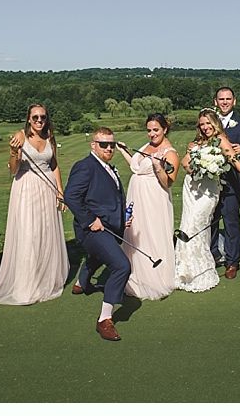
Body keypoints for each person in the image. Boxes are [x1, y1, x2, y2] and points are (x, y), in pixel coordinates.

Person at [0, 104, 70, 305]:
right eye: (35, 117)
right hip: (26, 189)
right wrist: (12, 152)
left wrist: (60, 192)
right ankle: (26, 286)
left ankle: (45, 281)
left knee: (46, 234)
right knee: (29, 235)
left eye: (42, 117)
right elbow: (13, 169)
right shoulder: (20, 137)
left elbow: (54, 165)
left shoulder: (50, 137)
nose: (39, 121)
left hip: (48, 189)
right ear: (28, 119)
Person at [175, 109, 240, 293]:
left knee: (198, 223)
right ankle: (185, 268)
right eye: (202, 124)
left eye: (208, 123)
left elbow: (235, 161)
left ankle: (213, 266)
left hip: (209, 191)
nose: (205, 127)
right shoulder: (196, 142)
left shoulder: (221, 140)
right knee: (189, 224)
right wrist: (194, 167)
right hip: (192, 189)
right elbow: (184, 163)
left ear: (215, 123)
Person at [63, 127, 132, 341]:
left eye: (112, 144)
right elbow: (71, 197)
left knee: (98, 256)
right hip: (90, 229)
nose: (109, 148)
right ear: (93, 145)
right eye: (104, 144)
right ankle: (104, 319)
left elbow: (110, 198)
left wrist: (122, 218)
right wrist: (90, 220)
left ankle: (81, 283)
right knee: (121, 266)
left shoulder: (108, 167)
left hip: (110, 226)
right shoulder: (85, 167)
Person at [117, 113, 179, 300]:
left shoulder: (170, 153)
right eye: (149, 130)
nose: (152, 134)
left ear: (165, 129)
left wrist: (159, 167)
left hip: (154, 198)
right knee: (136, 232)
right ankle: (134, 276)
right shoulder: (146, 147)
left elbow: (168, 183)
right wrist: (123, 151)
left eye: (156, 130)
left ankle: (155, 279)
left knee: (152, 234)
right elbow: (136, 168)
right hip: (137, 196)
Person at [210, 87, 240, 279]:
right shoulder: (208, 122)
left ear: (234, 101)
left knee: (231, 223)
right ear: (215, 101)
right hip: (209, 182)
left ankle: (232, 262)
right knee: (210, 221)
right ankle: (212, 256)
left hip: (232, 182)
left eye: (228, 99)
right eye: (221, 99)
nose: (225, 102)